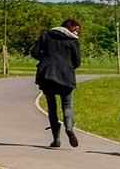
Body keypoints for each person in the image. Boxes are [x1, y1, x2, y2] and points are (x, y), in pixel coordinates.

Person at [31, 18, 83, 148]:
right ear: (70, 27)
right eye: (76, 29)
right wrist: (67, 65)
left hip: (47, 75)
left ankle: (56, 139)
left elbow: (35, 53)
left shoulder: (46, 35)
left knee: (52, 107)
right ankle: (69, 128)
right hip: (66, 76)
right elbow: (77, 62)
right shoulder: (72, 41)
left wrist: (46, 59)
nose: (77, 32)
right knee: (67, 105)